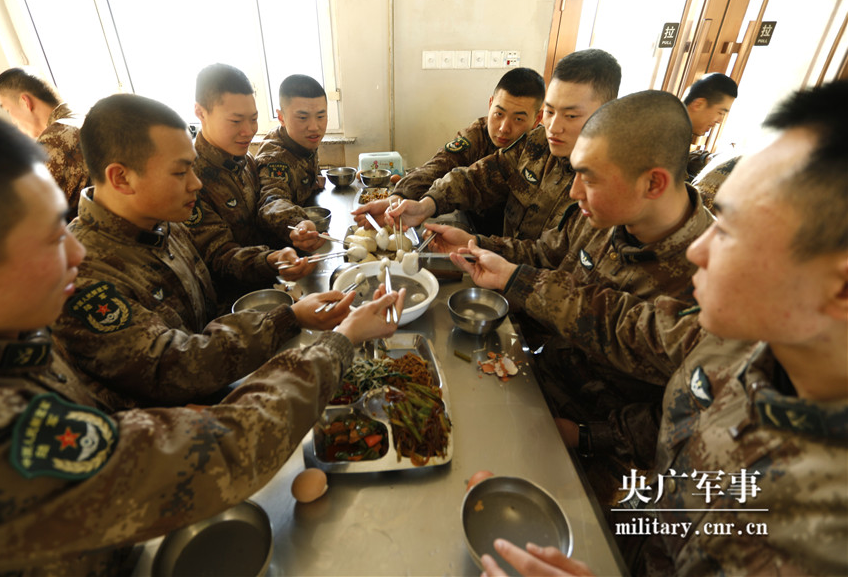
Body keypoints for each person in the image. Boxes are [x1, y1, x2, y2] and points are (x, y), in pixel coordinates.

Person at [0, 99, 404, 575]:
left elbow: (208, 279)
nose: (73, 254)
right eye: (49, 238)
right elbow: (212, 440)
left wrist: (276, 284)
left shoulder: (152, 230)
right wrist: (340, 340)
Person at [452, 80, 848, 575]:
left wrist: (586, 440)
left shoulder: (824, 523)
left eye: (729, 232)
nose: (700, 248)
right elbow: (625, 329)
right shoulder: (736, 350)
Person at [428, 90, 713, 506]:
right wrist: (477, 245)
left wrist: (585, 436)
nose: (575, 191)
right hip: (542, 379)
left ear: (653, 183)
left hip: (607, 447)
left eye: (590, 179)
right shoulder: (606, 214)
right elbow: (547, 254)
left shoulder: (711, 277)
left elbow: (691, 415)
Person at [51, 94, 390, 409]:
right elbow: (172, 366)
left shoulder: (159, 223)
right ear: (121, 178)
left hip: (219, 387)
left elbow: (212, 275)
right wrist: (288, 318)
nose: (196, 183)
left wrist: (269, 261)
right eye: (180, 172)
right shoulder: (82, 273)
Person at [356, 49, 621, 241]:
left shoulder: (611, 185)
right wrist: (422, 204)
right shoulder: (535, 144)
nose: (554, 126)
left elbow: (552, 259)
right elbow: (473, 178)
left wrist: (480, 248)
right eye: (551, 112)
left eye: (571, 116)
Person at [187, 63, 313, 308]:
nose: (248, 131)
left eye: (254, 119)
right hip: (235, 305)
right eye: (235, 121)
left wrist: (296, 226)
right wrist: (270, 260)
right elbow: (220, 256)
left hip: (271, 285)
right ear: (200, 113)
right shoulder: (190, 179)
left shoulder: (243, 160)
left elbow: (269, 199)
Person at [392, 67, 546, 235]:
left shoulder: (539, 151)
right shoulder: (478, 134)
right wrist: (399, 197)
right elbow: (441, 164)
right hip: (471, 234)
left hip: (511, 244)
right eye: (499, 114)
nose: (504, 128)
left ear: (537, 119)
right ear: (490, 104)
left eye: (518, 119)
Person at [0, 67, 90, 220]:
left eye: (8, 110)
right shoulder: (83, 118)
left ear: (25, 102)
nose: (12, 121)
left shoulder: (56, 138)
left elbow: (29, 215)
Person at [256, 74, 329, 252]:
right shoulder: (274, 158)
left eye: (321, 116)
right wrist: (298, 224)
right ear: (281, 117)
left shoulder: (302, 139)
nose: (314, 127)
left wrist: (315, 178)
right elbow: (272, 200)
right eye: (303, 118)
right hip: (284, 251)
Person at [682, 72, 739, 179]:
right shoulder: (668, 131)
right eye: (720, 112)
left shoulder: (680, 129)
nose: (720, 121)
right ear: (698, 104)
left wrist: (706, 159)